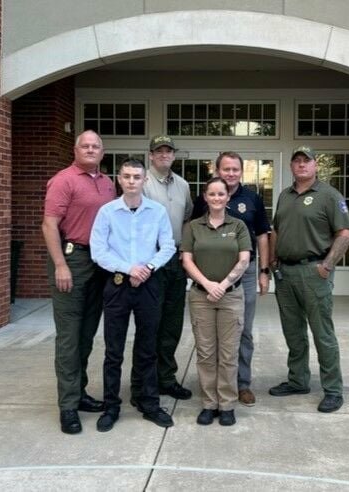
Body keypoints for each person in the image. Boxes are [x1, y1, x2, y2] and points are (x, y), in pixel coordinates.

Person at [90, 159, 176, 432]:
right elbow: (98, 251)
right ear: (119, 179)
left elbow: (168, 246)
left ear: (144, 180)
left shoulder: (157, 211)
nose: (131, 181)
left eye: (136, 176)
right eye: (126, 176)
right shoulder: (107, 212)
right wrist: (129, 269)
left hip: (148, 284)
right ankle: (111, 405)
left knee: (147, 347)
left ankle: (148, 401)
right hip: (117, 284)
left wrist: (148, 268)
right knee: (113, 350)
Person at [269, 146, 349, 413]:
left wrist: (327, 265)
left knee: (322, 333)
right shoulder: (285, 195)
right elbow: (276, 231)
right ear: (291, 166)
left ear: (316, 165)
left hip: (314, 271)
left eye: (307, 161)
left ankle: (333, 390)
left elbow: (345, 233)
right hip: (286, 273)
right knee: (293, 333)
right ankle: (298, 380)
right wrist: (272, 262)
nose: (302, 165)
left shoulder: (329, 195)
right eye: (297, 161)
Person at [42, 130, 116, 434]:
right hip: (72, 260)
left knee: (86, 335)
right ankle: (68, 406)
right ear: (75, 150)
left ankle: (80, 393)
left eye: (95, 146)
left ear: (102, 151)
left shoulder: (108, 183)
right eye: (85, 145)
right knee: (69, 337)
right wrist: (60, 264)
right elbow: (49, 224)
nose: (90, 149)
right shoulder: (64, 180)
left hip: (100, 263)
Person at [191, 152, 271, 407]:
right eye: (226, 169)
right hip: (209, 275)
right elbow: (194, 237)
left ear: (241, 171)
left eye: (236, 169)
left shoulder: (253, 198)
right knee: (211, 336)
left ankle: (242, 384)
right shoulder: (203, 199)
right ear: (217, 170)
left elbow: (262, 236)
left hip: (243, 273)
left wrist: (264, 271)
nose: (231, 173)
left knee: (243, 330)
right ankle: (213, 385)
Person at [182, 177, 251, 426]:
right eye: (212, 194)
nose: (217, 198)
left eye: (221, 194)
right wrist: (208, 284)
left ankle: (227, 404)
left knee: (229, 353)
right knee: (206, 353)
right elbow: (187, 260)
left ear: (228, 197)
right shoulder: (193, 227)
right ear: (205, 196)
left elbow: (244, 259)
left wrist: (221, 286)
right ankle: (209, 404)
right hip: (201, 296)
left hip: (230, 296)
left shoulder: (239, 225)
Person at [136, 135, 193, 402]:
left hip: (175, 262)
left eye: (168, 151)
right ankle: (142, 385)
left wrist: (183, 253)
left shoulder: (182, 185)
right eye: (158, 151)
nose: (164, 155)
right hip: (150, 261)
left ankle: (166, 379)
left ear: (173, 155)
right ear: (151, 155)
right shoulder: (141, 182)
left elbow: (186, 220)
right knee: (149, 325)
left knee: (171, 324)